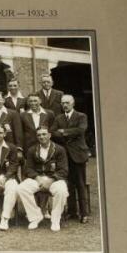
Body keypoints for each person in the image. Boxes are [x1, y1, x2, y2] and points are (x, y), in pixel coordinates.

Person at [17, 126, 69, 232]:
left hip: (54, 179)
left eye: (44, 134)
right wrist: (38, 178)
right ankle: (35, 216)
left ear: (49, 135)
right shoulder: (32, 150)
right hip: (38, 179)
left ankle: (55, 220)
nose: (42, 137)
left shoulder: (59, 149)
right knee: (22, 188)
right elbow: (29, 169)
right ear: (37, 137)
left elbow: (63, 170)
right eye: (39, 135)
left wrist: (51, 180)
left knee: (61, 190)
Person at [51, 94, 90, 223]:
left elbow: (80, 130)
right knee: (68, 183)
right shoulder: (59, 118)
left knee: (80, 183)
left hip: (78, 155)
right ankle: (72, 211)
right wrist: (62, 133)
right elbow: (53, 132)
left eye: (67, 103)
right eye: (63, 103)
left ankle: (84, 213)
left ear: (73, 103)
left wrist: (64, 132)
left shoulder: (81, 116)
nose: (65, 105)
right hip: (64, 156)